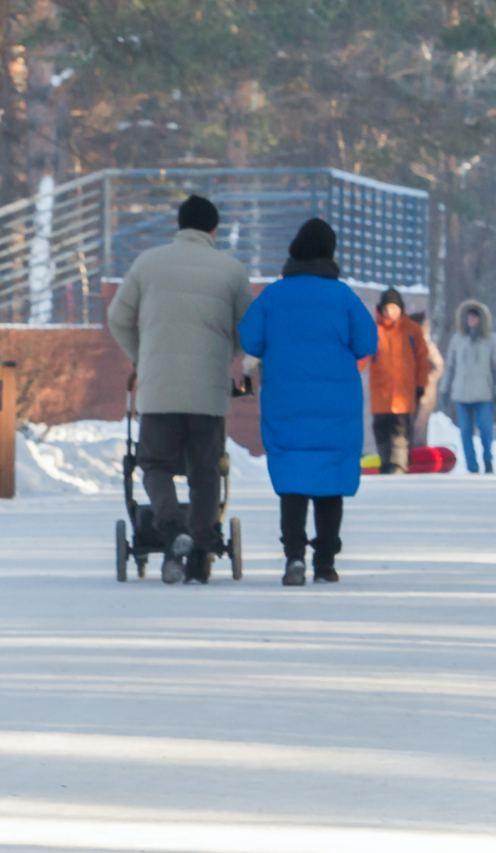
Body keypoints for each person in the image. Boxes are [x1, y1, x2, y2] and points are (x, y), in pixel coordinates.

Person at [107, 194, 253, 584]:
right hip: (208, 390)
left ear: (179, 225)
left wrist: (144, 356)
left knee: (154, 464)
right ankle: (202, 551)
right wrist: (226, 354)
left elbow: (118, 318)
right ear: (213, 229)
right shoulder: (231, 270)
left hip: (158, 389)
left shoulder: (148, 264)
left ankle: (173, 529)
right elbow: (248, 330)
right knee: (205, 470)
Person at [239, 218, 378, 585]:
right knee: (330, 479)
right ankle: (326, 561)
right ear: (330, 253)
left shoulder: (274, 295)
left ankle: (294, 557)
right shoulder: (343, 296)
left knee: (293, 478)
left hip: (286, 399)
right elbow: (366, 343)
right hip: (337, 404)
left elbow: (250, 339)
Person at [364, 288, 429, 474]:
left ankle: (399, 466)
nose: (390, 312)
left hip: (403, 393)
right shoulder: (374, 331)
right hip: (381, 393)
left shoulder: (411, 330)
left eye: (394, 308)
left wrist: (421, 384)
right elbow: (363, 357)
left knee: (400, 431)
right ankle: (386, 463)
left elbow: (422, 359)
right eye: (387, 308)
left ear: (400, 308)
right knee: (382, 430)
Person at [439, 299, 496, 474]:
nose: (471, 321)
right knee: (465, 431)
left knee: (485, 429)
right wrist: (444, 388)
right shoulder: (458, 340)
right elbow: (450, 366)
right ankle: (472, 465)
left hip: (483, 394)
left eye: (475, 318)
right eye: (469, 317)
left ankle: (487, 459)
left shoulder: (490, 340)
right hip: (461, 393)